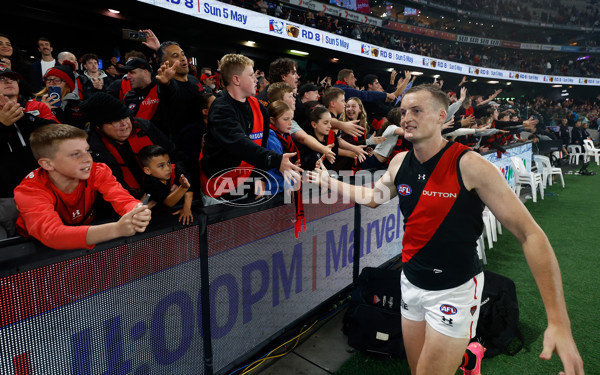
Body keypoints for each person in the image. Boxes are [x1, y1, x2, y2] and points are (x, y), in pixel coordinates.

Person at [308, 84, 584, 375]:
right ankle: (468, 359)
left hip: (455, 291)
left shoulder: (470, 165)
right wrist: (328, 182)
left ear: (442, 116)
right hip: (410, 284)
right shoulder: (400, 162)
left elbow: (530, 235)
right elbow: (372, 198)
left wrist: (558, 322)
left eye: (417, 110)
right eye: (403, 112)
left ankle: (467, 356)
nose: (406, 118)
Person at [13, 124, 152, 250]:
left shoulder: (97, 171)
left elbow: (123, 199)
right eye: (75, 154)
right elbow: (53, 235)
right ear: (47, 164)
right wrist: (116, 229)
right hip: (33, 248)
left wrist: (137, 211)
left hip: (83, 236)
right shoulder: (29, 190)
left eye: (87, 150)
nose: (88, 159)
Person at [199, 53, 302, 205]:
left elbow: (261, 144)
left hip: (245, 183)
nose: (256, 80)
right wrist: (275, 160)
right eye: (251, 75)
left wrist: (260, 178)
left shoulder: (259, 107)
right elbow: (239, 143)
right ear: (236, 79)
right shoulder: (220, 107)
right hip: (218, 187)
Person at [80, 92, 174, 198]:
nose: (124, 124)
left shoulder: (144, 127)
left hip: (166, 194)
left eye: (125, 117)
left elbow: (173, 155)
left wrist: (177, 180)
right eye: (115, 121)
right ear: (98, 126)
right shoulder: (89, 148)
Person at [138, 145, 193, 225]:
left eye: (168, 163)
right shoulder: (150, 184)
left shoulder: (175, 169)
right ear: (148, 170)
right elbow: (168, 202)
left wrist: (187, 208)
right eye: (161, 166)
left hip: (178, 209)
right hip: (157, 218)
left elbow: (190, 187)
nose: (168, 168)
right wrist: (183, 188)